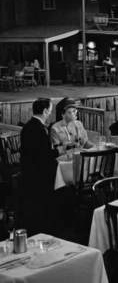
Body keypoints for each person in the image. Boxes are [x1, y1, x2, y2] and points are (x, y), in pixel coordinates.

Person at [20, 98, 59, 234]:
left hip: (28, 173)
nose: (50, 113)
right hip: (39, 175)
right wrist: (60, 151)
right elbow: (44, 156)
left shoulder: (28, 126)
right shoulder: (40, 130)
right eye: (50, 110)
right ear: (45, 111)